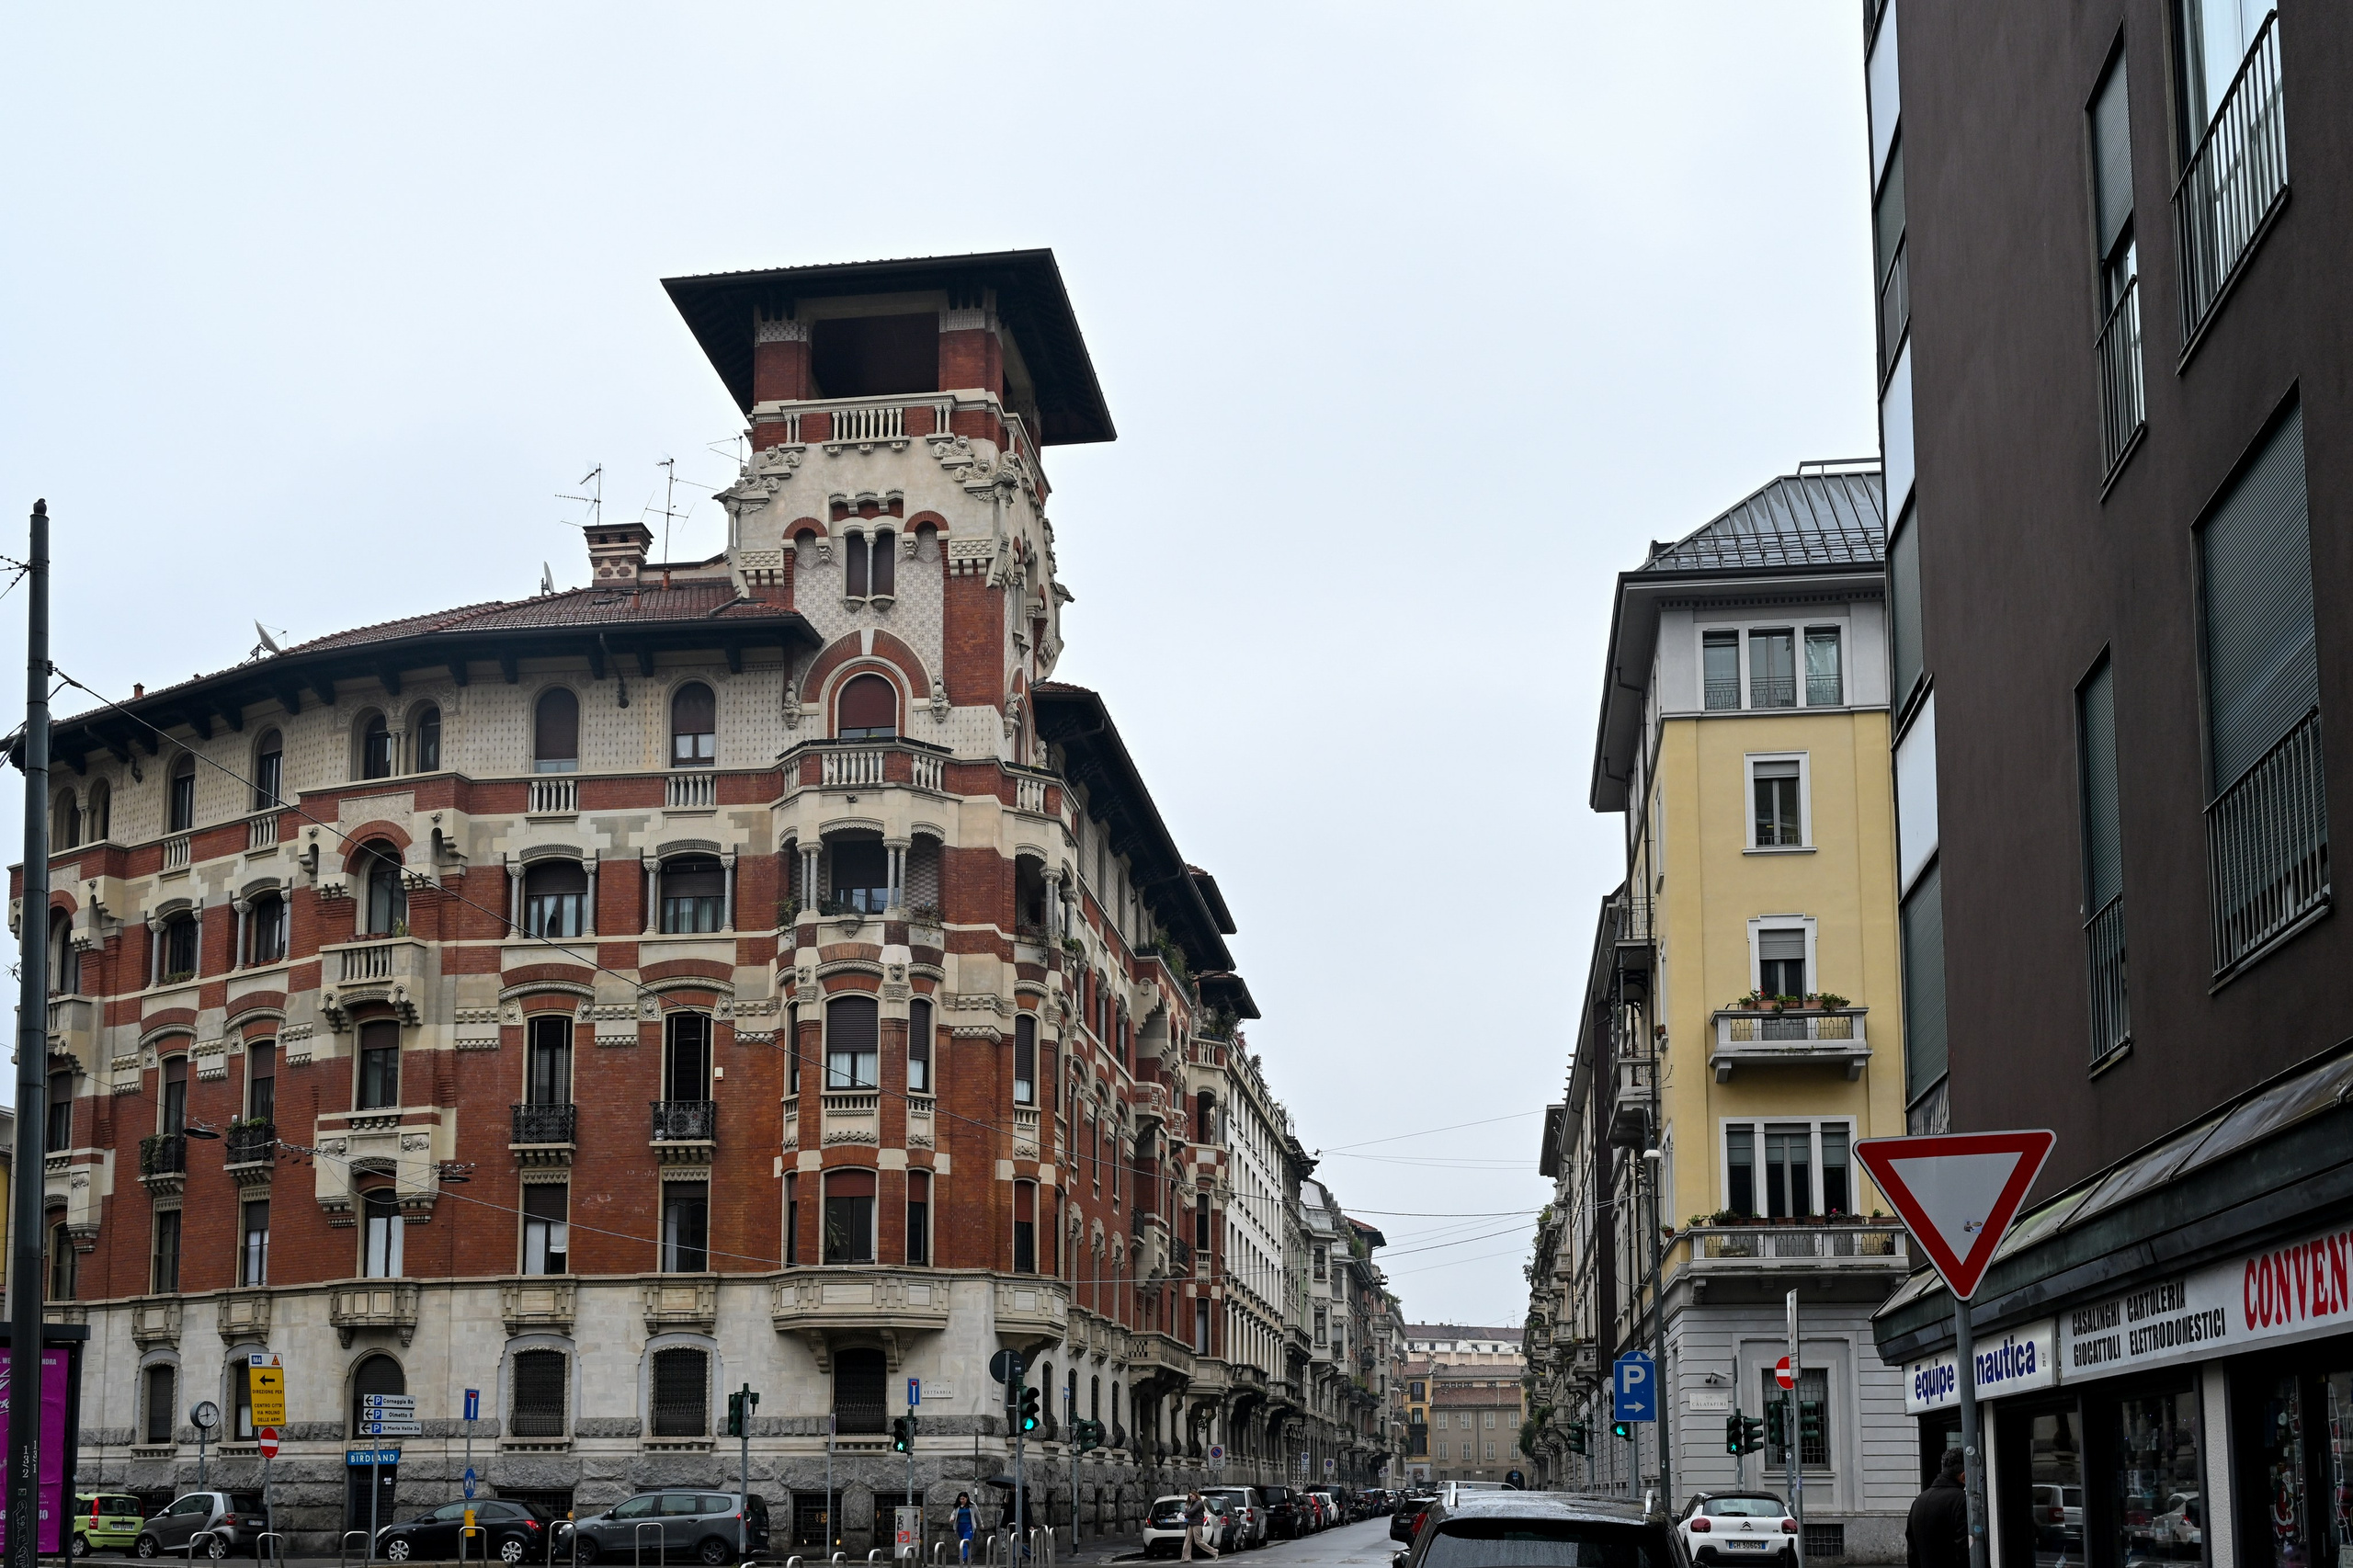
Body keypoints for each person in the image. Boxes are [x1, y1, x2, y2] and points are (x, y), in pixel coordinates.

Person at [1907, 1449, 1970, 1568]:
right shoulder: (1961, 1500)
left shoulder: (1919, 1501)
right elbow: (1964, 1550)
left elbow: (1912, 1552)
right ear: (1963, 1476)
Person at [1183, 1491, 1220, 1562]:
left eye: (1192, 1496)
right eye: (1189, 1497)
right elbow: (1192, 1514)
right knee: (1187, 1540)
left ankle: (1214, 1551)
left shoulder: (1199, 1503)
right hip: (1191, 1523)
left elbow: (1191, 1512)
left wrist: (1186, 1508)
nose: (1191, 1498)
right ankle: (1186, 1557)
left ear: (1196, 1495)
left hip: (1197, 1524)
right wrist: (1186, 1515)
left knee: (1198, 1541)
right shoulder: (1193, 1503)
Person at [954, 1494, 976, 1564]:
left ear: (967, 1498)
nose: (962, 1500)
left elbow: (977, 1515)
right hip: (960, 1527)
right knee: (964, 1543)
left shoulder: (972, 1505)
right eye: (960, 1499)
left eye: (963, 1499)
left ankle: (962, 1558)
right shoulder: (958, 1506)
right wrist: (952, 1517)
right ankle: (969, 1557)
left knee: (965, 1542)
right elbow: (954, 1513)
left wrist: (981, 1524)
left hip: (969, 1526)